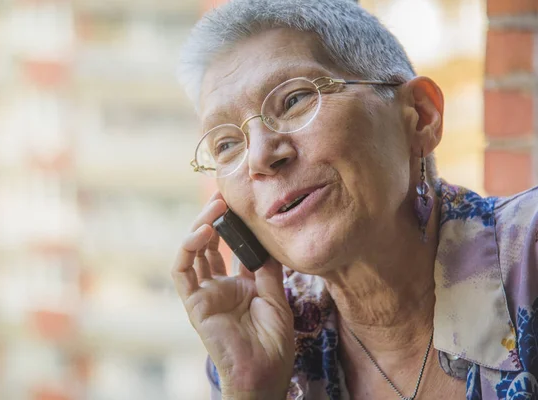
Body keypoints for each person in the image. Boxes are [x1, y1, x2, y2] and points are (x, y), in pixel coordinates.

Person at [170, 0, 538, 399]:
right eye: (227, 144)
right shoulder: (264, 347)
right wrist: (251, 391)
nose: (259, 157)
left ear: (420, 115)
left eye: (294, 100)